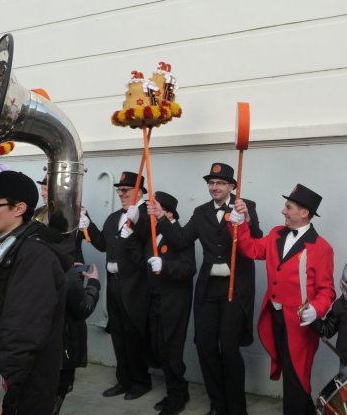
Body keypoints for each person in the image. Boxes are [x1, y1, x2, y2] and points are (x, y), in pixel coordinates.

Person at [147, 163, 261, 415]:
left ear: (232, 186)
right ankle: (217, 405)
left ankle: (237, 409)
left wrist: (247, 220)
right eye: (211, 183)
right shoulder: (201, 212)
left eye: (220, 183)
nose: (214, 187)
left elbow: (256, 242)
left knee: (229, 349)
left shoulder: (245, 206)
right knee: (206, 346)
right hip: (209, 290)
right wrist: (161, 217)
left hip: (234, 290)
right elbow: (181, 239)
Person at [0, 171, 72, 414]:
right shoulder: (8, 245)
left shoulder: (35, 258)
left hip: (16, 395)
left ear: (19, 209)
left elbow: (20, 340)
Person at [231, 183, 335, 415]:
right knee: (290, 373)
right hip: (275, 316)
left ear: (304, 212)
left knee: (297, 376)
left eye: (288, 207)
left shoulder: (321, 248)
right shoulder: (276, 233)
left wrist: (316, 309)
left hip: (300, 323)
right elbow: (250, 249)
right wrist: (240, 224)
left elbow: (327, 290)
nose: (283, 211)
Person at [82, 171, 152, 400]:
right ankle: (124, 379)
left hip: (136, 286)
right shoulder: (114, 217)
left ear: (139, 192)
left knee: (134, 335)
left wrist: (139, 222)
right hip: (114, 284)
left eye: (126, 190)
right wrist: (88, 225)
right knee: (119, 334)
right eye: (119, 190)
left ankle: (140, 381)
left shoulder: (147, 215)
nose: (121, 194)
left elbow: (151, 244)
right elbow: (102, 244)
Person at [126, 191, 196, 415]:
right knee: (157, 347)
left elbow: (188, 269)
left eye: (156, 210)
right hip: (154, 299)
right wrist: (130, 238)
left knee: (170, 350)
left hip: (173, 303)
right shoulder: (153, 233)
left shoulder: (180, 236)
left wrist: (166, 266)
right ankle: (175, 389)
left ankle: (177, 396)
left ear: (169, 213)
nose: (151, 214)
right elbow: (142, 262)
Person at [52, 262, 101, 414]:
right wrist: (93, 283)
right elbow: (84, 308)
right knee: (53, 398)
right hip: (62, 350)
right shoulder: (68, 275)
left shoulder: (36, 264)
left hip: (40, 346)